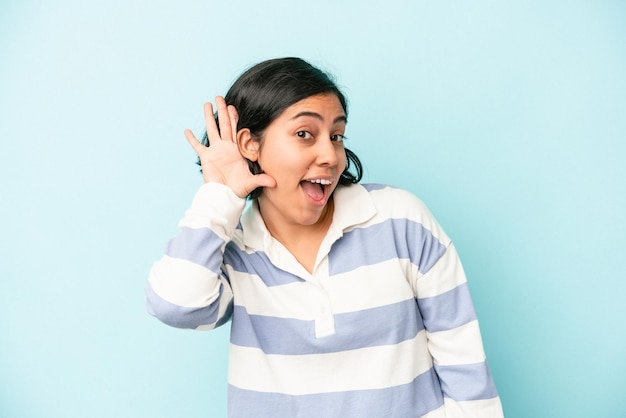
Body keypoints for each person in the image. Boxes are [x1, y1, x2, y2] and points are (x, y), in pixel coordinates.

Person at [146, 57, 504, 418]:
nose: (331, 156)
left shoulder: (399, 220)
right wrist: (221, 197)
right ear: (249, 144)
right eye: (305, 134)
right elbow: (176, 305)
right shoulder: (231, 248)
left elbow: (465, 371)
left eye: (336, 136)